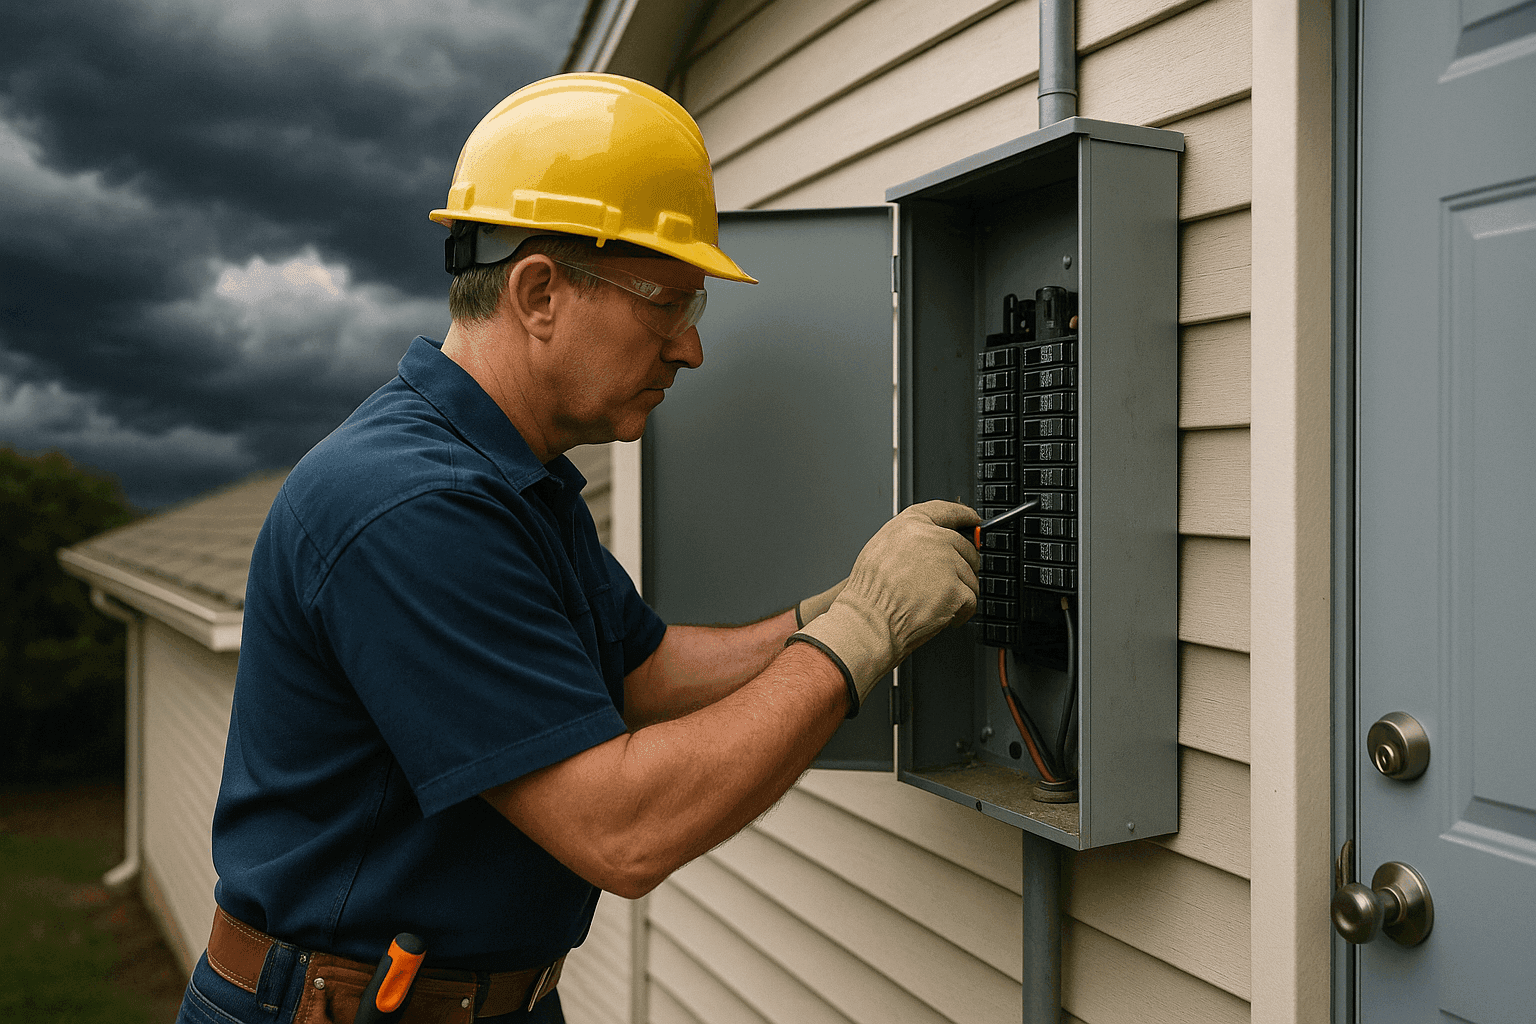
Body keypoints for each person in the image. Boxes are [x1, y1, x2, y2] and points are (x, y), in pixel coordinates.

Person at [175, 73, 980, 1024]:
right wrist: (866, 635)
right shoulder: (412, 505)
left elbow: (642, 670)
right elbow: (620, 831)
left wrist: (836, 606)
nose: (691, 349)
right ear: (539, 291)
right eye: (667, 305)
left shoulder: (513, 474)